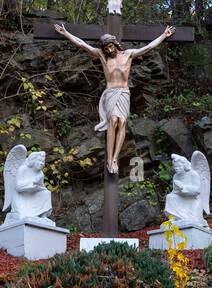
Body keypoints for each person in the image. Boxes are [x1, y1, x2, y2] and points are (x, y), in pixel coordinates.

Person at [54, 22, 176, 175]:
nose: (109, 50)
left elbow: (148, 47)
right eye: (106, 49)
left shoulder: (128, 54)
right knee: (113, 121)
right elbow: (82, 44)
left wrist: (164, 36)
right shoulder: (102, 56)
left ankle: (114, 158)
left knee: (122, 121)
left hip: (124, 92)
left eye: (110, 46)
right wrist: (65, 33)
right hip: (111, 92)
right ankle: (109, 157)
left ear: (115, 44)